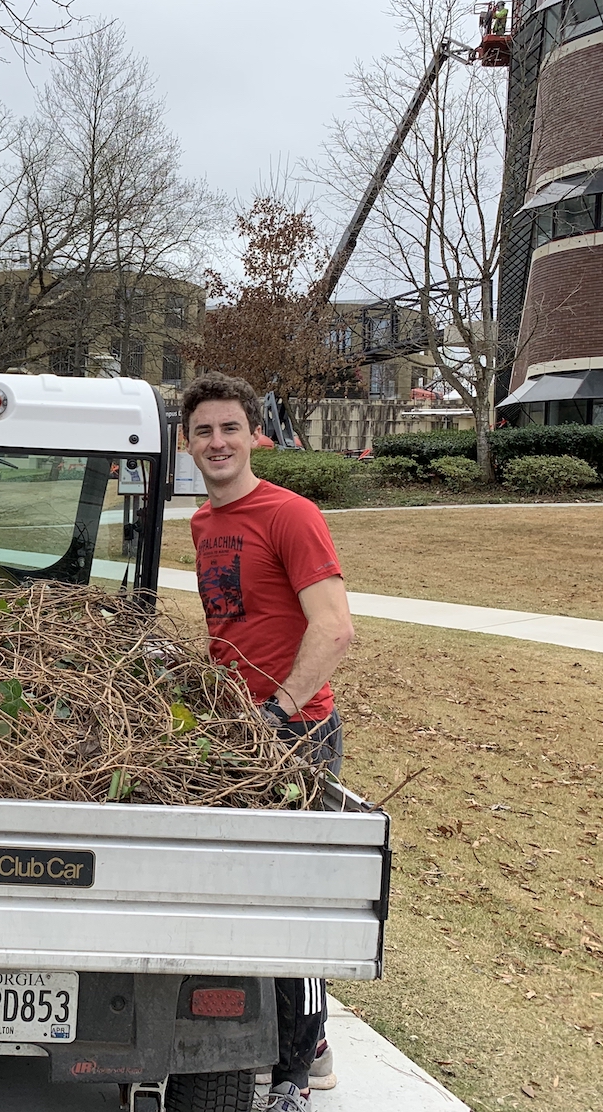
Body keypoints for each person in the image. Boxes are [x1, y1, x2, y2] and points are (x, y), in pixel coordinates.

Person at [182, 373, 356, 1112]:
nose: (217, 443)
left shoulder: (291, 515)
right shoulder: (203, 524)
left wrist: (280, 713)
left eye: (230, 429)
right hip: (239, 729)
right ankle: (304, 1041)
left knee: (287, 902)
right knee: (238, 890)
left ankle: (293, 1075)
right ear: (186, 443)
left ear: (256, 433)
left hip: (295, 732)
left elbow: (335, 627)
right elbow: (236, 625)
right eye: (202, 431)